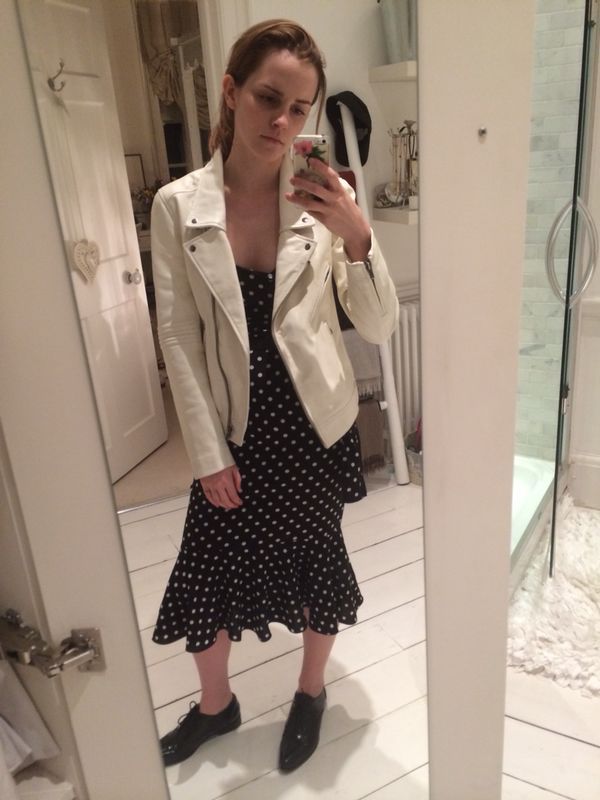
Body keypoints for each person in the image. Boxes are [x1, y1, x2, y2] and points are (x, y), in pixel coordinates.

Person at [150, 18, 399, 773]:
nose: (283, 122)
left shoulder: (325, 200)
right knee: (206, 572)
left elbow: (378, 325)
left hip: (315, 425)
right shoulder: (177, 205)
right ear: (231, 92)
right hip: (233, 428)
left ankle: (311, 692)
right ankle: (216, 706)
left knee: (318, 561)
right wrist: (206, 453)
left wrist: (356, 234)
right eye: (268, 98)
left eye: (299, 108)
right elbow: (179, 337)